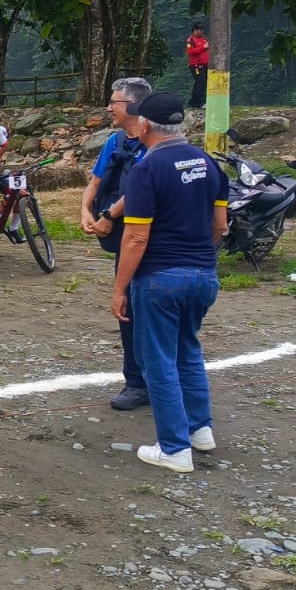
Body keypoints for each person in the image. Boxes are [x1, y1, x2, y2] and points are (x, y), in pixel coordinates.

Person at [110, 92, 228, 474]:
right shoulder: (207, 162)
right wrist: (200, 258)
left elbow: (136, 237)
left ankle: (174, 448)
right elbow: (220, 226)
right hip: (203, 273)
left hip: (161, 277)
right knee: (187, 351)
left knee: (157, 361)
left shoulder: (147, 168)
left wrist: (120, 288)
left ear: (145, 124)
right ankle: (200, 429)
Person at [80, 77, 154, 412]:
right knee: (128, 311)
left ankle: (151, 381)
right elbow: (95, 181)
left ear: (134, 106)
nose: (109, 107)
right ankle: (135, 380)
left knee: (145, 307)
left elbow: (141, 186)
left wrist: (109, 214)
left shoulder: (154, 142)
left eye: (115, 102)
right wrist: (86, 210)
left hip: (145, 236)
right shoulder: (115, 141)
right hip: (121, 238)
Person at [186, 23, 210, 109]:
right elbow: (190, 52)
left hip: (205, 64)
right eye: (200, 30)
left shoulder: (204, 39)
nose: (201, 31)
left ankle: (194, 102)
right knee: (201, 82)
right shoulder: (191, 40)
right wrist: (203, 47)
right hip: (196, 65)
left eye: (202, 29)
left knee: (200, 83)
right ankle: (201, 102)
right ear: (195, 30)